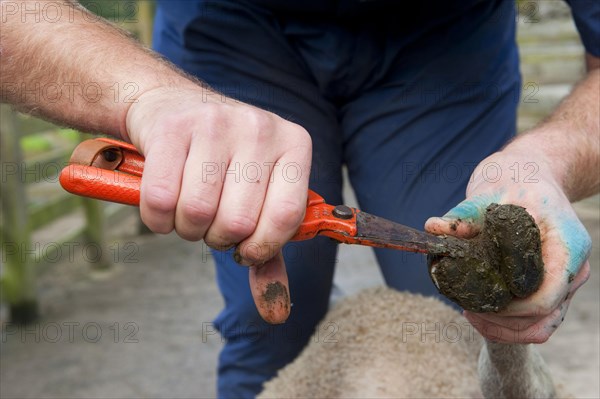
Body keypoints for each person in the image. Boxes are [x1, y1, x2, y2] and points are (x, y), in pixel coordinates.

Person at [1, 0, 598, 397]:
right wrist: (142, 96)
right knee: (270, 328)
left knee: (469, 317)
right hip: (233, 29)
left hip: (443, 43)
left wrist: (548, 160)